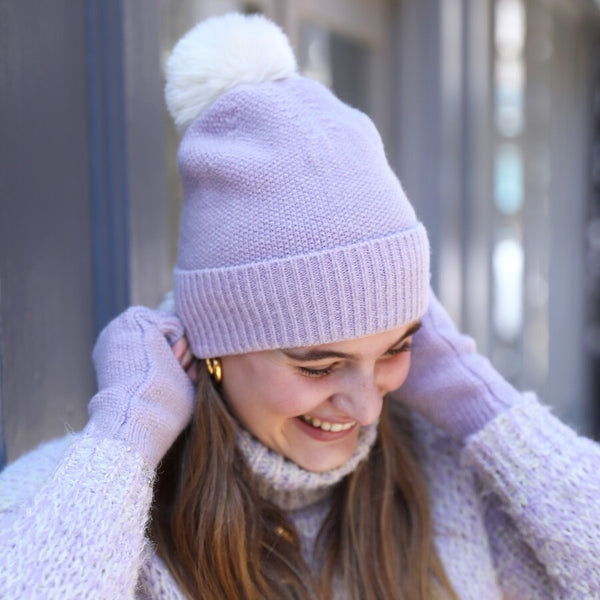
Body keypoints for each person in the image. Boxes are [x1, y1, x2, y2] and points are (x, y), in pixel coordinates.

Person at [1, 12, 599, 600]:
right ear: (216, 344)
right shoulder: (78, 504)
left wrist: (480, 403)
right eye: (318, 364)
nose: (366, 409)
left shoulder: (454, 479)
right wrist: (123, 444)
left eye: (395, 349)